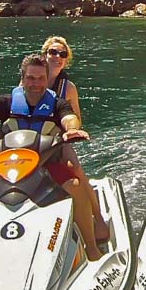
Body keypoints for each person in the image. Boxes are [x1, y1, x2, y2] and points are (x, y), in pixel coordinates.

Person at [0, 54, 103, 261]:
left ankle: (91, 247)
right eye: (31, 78)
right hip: (11, 168)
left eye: (41, 78)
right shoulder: (8, 103)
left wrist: (71, 130)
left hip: (46, 166)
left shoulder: (57, 104)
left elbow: (69, 118)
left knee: (75, 186)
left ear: (47, 79)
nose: (36, 83)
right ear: (23, 78)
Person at [40, 36, 106, 244]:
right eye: (53, 52)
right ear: (44, 55)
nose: (57, 57)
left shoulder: (68, 88)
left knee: (74, 167)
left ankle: (98, 218)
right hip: (34, 137)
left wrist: (71, 130)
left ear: (66, 60)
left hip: (58, 138)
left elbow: (75, 116)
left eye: (62, 54)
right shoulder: (31, 80)